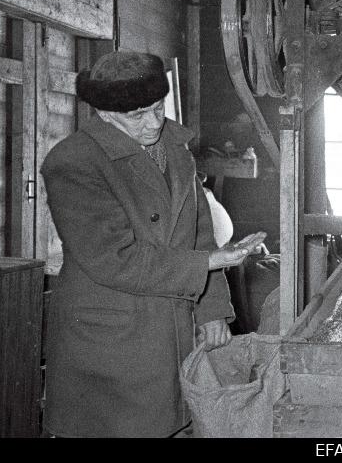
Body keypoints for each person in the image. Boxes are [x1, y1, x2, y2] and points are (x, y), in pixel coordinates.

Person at [40, 51, 266, 437]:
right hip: (112, 337)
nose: (153, 123)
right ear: (105, 113)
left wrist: (211, 308)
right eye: (137, 115)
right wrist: (209, 263)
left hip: (167, 327)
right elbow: (115, 259)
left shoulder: (175, 149)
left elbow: (198, 230)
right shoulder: (74, 162)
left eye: (158, 108)